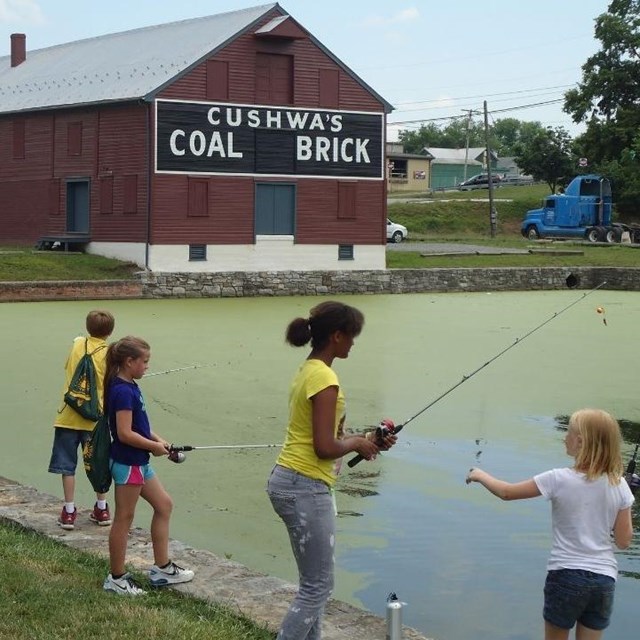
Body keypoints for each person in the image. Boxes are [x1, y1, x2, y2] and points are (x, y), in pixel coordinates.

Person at [266, 300, 397, 639]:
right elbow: (325, 448)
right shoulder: (325, 379)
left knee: (315, 585)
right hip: (304, 485)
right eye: (352, 336)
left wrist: (367, 439)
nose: (354, 342)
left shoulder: (309, 369)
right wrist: (356, 444)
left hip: (293, 479)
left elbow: (328, 435)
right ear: (337, 336)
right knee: (317, 587)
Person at [466, 408, 634, 640]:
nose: (565, 437)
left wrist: (479, 475)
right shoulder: (620, 485)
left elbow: (506, 492)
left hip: (566, 575)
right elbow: (624, 541)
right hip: (604, 581)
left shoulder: (558, 478)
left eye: (569, 432)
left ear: (580, 442)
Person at [102, 336, 194, 596]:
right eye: (144, 361)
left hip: (139, 461)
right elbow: (124, 433)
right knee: (124, 517)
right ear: (129, 362)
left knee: (164, 505)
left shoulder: (130, 385)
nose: (147, 366)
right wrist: (152, 448)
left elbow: (140, 427)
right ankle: (117, 578)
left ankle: (162, 569)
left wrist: (161, 442)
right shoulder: (121, 390)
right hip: (128, 462)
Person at [48, 309, 115, 530]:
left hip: (68, 415)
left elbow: (68, 367)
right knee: (98, 463)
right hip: (94, 420)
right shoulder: (111, 354)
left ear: (87, 327)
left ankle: (68, 511)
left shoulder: (77, 343)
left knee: (68, 466)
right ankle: (102, 507)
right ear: (110, 331)